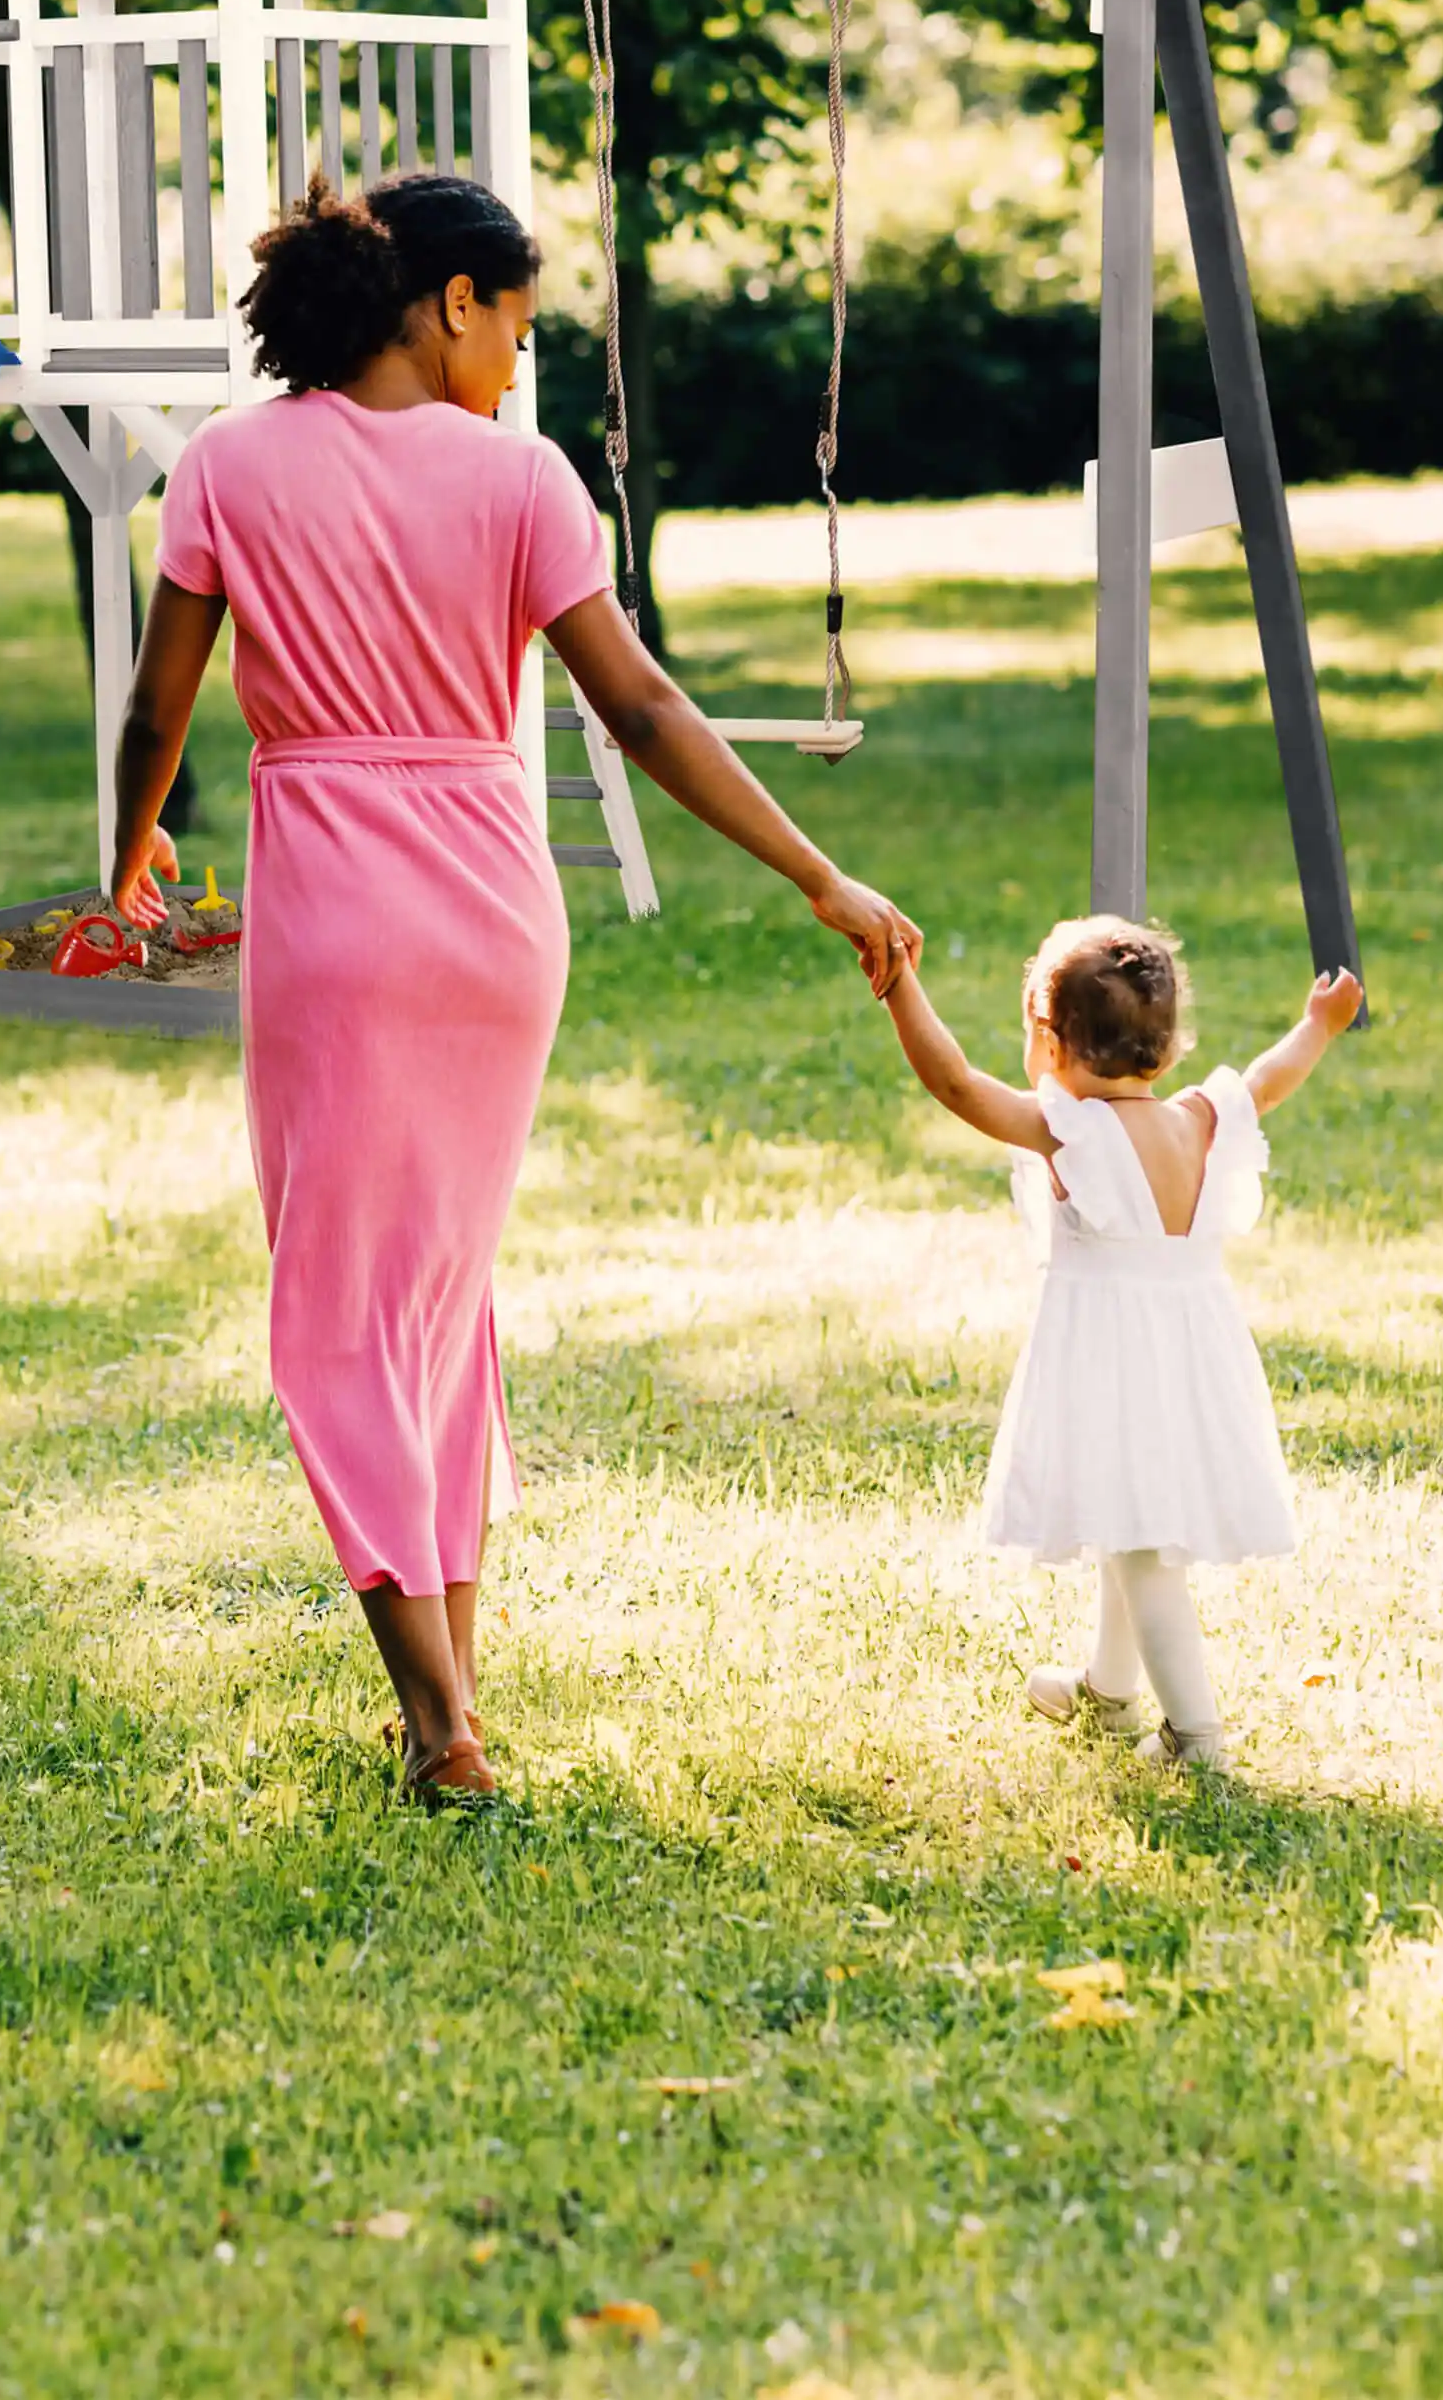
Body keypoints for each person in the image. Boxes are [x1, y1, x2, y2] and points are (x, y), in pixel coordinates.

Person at [106, 174, 919, 1805]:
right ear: (448, 301)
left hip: (334, 916)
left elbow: (158, 711)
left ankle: (437, 1722)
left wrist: (123, 863)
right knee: (434, 1300)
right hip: (491, 918)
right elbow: (645, 711)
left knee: (342, 1312)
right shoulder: (523, 481)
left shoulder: (228, 466)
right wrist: (817, 872)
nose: (517, 364)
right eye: (517, 328)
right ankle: (452, 1694)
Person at [877, 913, 1366, 1767]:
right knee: (1124, 1515)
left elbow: (954, 1083)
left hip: (1114, 1363)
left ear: (1050, 1042)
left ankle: (1197, 1737)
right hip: (1191, 1358)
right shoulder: (1203, 1118)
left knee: (1143, 1550)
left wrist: (899, 984)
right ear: (1169, 1048)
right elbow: (1269, 1077)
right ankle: (1108, 1691)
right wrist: (1317, 1025)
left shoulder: (1071, 1132)